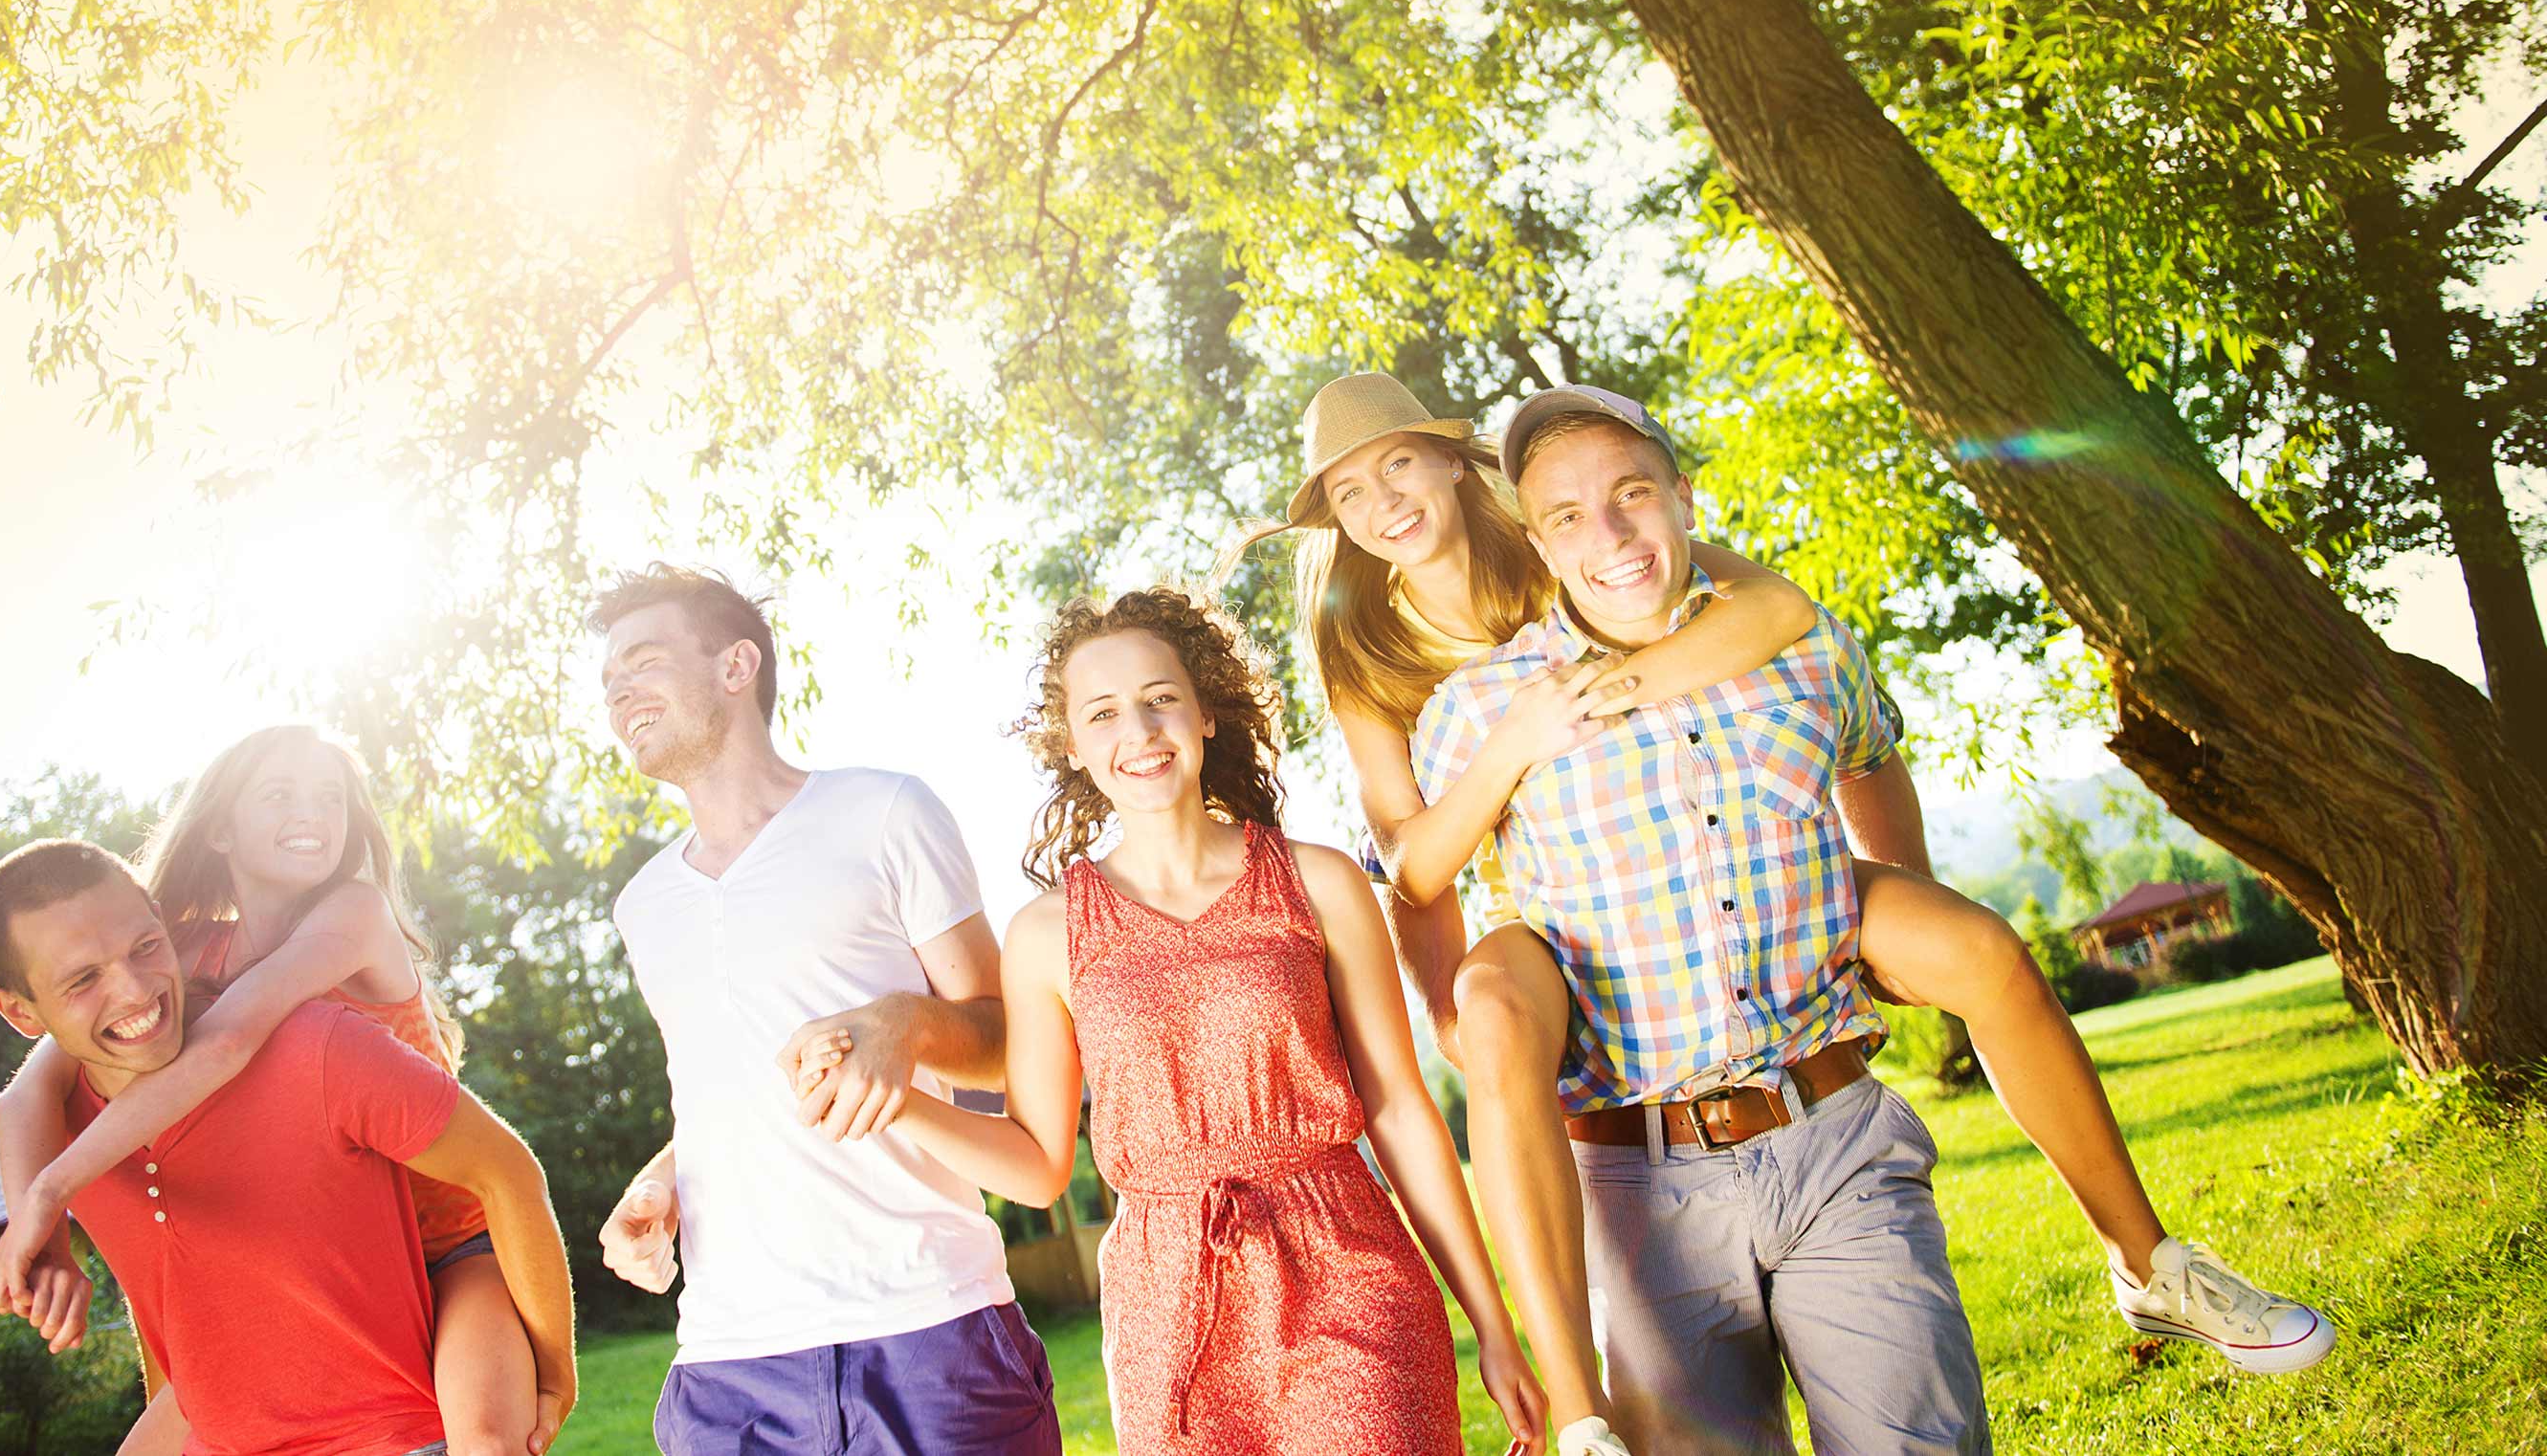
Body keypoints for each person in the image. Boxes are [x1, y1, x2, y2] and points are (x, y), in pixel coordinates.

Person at [1274, 373, 2332, 1430]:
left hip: (1760, 869)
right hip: (1550, 911)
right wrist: (1462, 997)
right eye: (1352, 490)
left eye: (1399, 463)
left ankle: (2148, 1259)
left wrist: (1645, 688)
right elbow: (1412, 868)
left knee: (1979, 949)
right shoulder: (1382, 655)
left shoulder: (1572, 518)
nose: (1385, 500)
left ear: (1459, 462)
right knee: (1499, 1014)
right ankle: (1578, 1409)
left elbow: (1779, 609)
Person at [854, 585, 1547, 1454]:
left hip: (1348, 1271)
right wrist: (902, 1103)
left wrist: (1493, 1323)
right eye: (1103, 712)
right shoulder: (1045, 937)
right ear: (1074, 745)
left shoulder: (1319, 882)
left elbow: (1403, 1111)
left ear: (1206, 712)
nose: (1138, 731)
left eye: (1160, 699)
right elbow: (1036, 1169)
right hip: (1166, 1306)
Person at [587, 563, 1062, 1456]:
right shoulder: (643, 905)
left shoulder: (884, 811)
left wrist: (903, 1022)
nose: (619, 691)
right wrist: (659, 1182)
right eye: (609, 679)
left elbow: (1004, 1036)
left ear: (737, 666)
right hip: (729, 1366)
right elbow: (723, 1096)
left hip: (927, 1329)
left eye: (642, 661)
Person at [0, 724, 554, 1456]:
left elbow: (226, 1041)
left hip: (445, 1245)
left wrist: (50, 1190)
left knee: (487, 1438)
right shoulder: (170, 950)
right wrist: (49, 1242)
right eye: (279, 795)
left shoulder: (354, 911)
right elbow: (26, 1092)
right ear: (219, 828)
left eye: (328, 796)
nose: (310, 812)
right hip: (326, 1268)